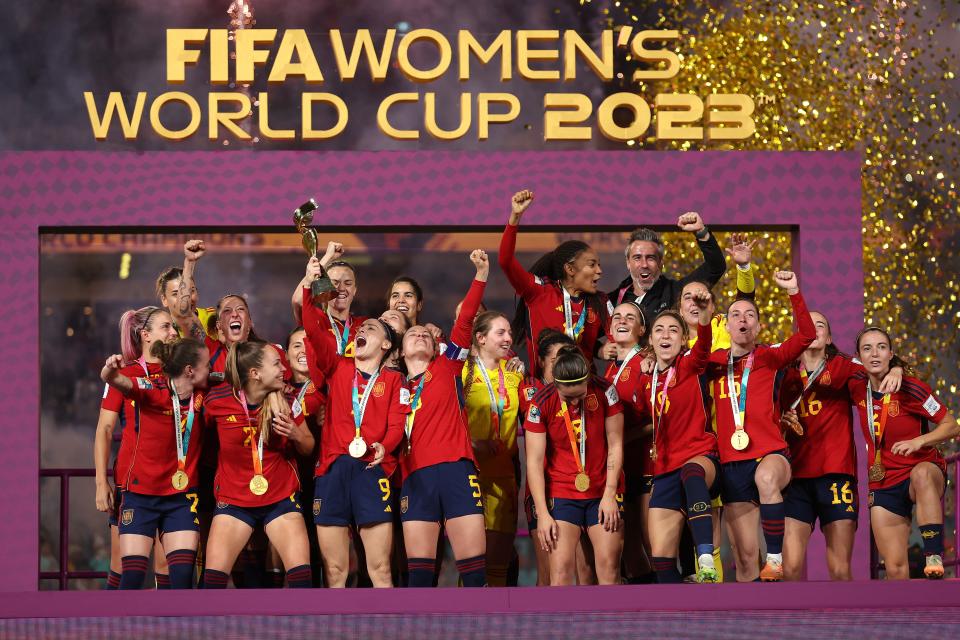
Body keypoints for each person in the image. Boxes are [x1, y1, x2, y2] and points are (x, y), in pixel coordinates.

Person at [301, 257, 408, 588]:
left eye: (371, 329)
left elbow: (395, 426)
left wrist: (383, 447)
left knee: (380, 571)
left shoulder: (393, 381)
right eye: (361, 328)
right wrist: (308, 283)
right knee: (334, 573)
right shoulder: (337, 367)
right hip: (332, 471)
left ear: (387, 344)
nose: (362, 330)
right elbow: (312, 324)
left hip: (370, 471)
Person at [705, 270, 815, 582]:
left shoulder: (768, 357)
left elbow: (806, 336)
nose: (743, 319)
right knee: (744, 560)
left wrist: (794, 291)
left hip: (770, 453)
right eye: (736, 315)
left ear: (758, 326)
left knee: (767, 479)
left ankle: (776, 558)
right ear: (726, 326)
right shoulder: (713, 363)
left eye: (750, 315)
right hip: (731, 463)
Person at [779, 313, 902, 581]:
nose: (812, 329)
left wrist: (897, 369)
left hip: (836, 476)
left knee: (839, 569)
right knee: (789, 568)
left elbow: (876, 367)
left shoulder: (844, 366)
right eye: (806, 325)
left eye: (819, 325)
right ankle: (792, 623)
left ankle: (844, 623)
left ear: (829, 337)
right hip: (795, 478)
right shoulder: (783, 373)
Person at [398, 250, 490, 588]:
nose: (420, 334)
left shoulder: (448, 366)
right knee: (420, 577)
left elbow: (465, 320)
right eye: (412, 334)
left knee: (474, 573)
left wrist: (480, 275)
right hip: (415, 478)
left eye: (425, 333)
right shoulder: (390, 385)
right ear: (400, 352)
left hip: (456, 469)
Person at [200, 341, 315, 588]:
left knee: (302, 581)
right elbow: (201, 439)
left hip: (280, 498)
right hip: (234, 501)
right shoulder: (216, 399)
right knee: (211, 585)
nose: (283, 368)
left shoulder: (287, 398)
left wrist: (295, 434)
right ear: (255, 374)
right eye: (276, 364)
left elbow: (308, 446)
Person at [849, 327, 959, 580]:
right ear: (859, 357)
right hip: (883, 481)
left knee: (921, 474)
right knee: (895, 569)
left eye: (881, 347)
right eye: (867, 349)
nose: (875, 354)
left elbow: (951, 425)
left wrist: (919, 441)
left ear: (891, 354)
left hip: (921, 471)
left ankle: (933, 555)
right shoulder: (855, 387)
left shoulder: (912, 388)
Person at [100, 338, 210, 589]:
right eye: (207, 364)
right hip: (141, 496)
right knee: (133, 579)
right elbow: (112, 379)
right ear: (190, 370)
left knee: (182, 580)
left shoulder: (206, 393)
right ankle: (124, 628)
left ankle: (180, 629)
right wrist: (110, 367)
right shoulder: (151, 388)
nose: (212, 368)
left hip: (181, 499)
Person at [525, 346, 625, 585]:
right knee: (560, 572)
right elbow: (534, 461)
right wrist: (542, 514)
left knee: (609, 568)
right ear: (555, 384)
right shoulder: (540, 403)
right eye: (567, 398)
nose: (573, 403)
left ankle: (611, 623)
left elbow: (616, 445)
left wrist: (610, 494)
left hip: (603, 491)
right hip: (562, 495)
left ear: (588, 380)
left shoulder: (606, 392)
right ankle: (562, 624)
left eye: (579, 396)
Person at [95, 307, 179, 589]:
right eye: (167, 327)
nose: (173, 333)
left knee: (166, 562)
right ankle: (110, 627)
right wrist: (100, 482)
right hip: (132, 483)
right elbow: (105, 429)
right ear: (145, 335)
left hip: (172, 484)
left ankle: (168, 629)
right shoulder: (125, 373)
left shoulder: (180, 375)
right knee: (122, 563)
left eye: (173, 327)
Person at [635, 299, 717, 583]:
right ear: (650, 339)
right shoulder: (646, 379)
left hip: (699, 455)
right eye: (659, 330)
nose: (666, 335)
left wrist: (703, 319)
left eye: (673, 330)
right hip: (664, 468)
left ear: (683, 339)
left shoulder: (690, 365)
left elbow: (704, 344)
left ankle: (705, 557)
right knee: (661, 559)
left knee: (692, 474)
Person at [499, 190, 607, 375]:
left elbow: (625, 338)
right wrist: (515, 218)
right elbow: (505, 261)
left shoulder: (601, 302)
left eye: (599, 264)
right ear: (570, 269)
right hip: (545, 395)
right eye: (592, 265)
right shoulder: (539, 293)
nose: (599, 271)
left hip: (587, 396)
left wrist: (601, 349)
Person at [461, 311, 524, 586]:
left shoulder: (515, 377)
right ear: (481, 338)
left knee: (498, 564)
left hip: (503, 475)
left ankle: (495, 621)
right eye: (500, 333)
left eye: (509, 332)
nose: (508, 338)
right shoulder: (460, 373)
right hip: (469, 474)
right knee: (471, 566)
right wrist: (471, 444)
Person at [602, 302, 654, 583]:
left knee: (652, 543)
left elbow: (659, 418)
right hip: (620, 471)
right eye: (617, 317)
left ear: (642, 329)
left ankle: (671, 608)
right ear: (609, 329)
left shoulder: (647, 364)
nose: (622, 321)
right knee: (630, 548)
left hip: (646, 464)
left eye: (630, 317)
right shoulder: (608, 371)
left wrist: (619, 439)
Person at [608, 212, 727, 321]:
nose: (644, 264)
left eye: (651, 258)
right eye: (637, 258)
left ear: (660, 264)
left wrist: (701, 232)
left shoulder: (676, 292)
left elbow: (715, 266)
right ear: (628, 263)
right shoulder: (613, 300)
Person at [283, 327, 326, 586]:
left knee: (319, 543)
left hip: (319, 477)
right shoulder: (278, 390)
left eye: (308, 344)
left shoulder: (328, 387)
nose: (303, 350)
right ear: (286, 355)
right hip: (286, 478)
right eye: (296, 345)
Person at [293, 241, 367, 357]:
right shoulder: (316, 319)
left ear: (355, 290)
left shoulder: (364, 324)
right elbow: (298, 301)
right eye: (335, 283)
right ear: (326, 286)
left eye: (348, 283)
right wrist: (328, 257)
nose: (341, 288)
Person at [155, 240, 217, 340]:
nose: (186, 297)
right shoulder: (158, 330)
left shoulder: (213, 318)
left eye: (191, 291)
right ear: (164, 300)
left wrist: (190, 262)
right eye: (176, 293)